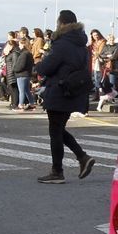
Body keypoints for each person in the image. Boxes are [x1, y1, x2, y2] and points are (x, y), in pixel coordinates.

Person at [35, 10, 96, 184]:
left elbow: (46, 68)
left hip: (59, 90)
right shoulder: (81, 45)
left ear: (62, 24)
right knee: (59, 129)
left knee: (55, 131)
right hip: (74, 91)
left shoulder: (62, 44)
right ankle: (82, 157)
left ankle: (57, 171)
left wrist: (39, 64)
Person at [10, 36, 34, 110]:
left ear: (23, 44)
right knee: (27, 90)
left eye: (20, 44)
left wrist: (14, 69)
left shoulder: (24, 54)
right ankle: (32, 104)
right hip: (27, 74)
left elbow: (21, 65)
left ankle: (20, 105)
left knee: (22, 91)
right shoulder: (29, 53)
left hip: (21, 74)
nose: (19, 46)